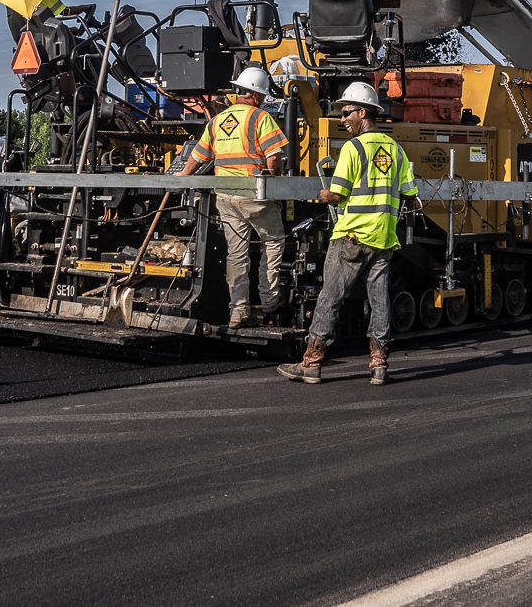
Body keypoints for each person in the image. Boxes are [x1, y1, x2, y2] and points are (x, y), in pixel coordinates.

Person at [278, 81, 418, 386]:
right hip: (383, 238)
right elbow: (409, 191)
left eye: (347, 112)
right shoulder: (396, 149)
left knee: (330, 298)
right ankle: (379, 364)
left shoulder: (353, 148)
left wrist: (321, 194)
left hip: (352, 236)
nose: (342, 118)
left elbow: (338, 194)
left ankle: (311, 363)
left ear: (364, 112)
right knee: (379, 300)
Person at [178, 65, 291, 328]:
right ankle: (270, 301)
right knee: (273, 243)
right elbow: (274, 157)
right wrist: (275, 186)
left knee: (237, 255)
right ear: (257, 95)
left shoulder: (217, 121)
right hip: (254, 195)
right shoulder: (260, 118)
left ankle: (238, 311)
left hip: (226, 196)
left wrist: (182, 177)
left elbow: (199, 155)